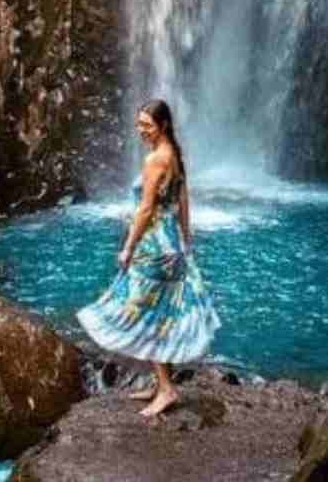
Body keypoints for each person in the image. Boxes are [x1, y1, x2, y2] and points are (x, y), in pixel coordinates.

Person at [77, 98, 221, 416]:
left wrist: (128, 246)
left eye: (147, 125)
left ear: (163, 125)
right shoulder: (176, 156)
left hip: (154, 246)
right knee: (164, 312)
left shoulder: (155, 159)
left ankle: (167, 389)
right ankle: (161, 384)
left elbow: (145, 209)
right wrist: (185, 239)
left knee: (146, 313)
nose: (141, 129)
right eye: (139, 123)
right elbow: (183, 202)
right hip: (171, 245)